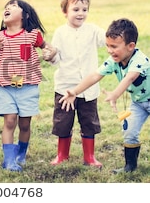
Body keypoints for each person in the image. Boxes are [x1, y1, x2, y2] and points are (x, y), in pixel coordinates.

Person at [60, 18, 150, 173]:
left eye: (114, 46)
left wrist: (115, 94)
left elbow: (130, 77)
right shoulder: (114, 61)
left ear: (131, 46)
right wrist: (75, 91)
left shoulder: (139, 60)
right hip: (138, 103)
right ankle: (130, 166)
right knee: (129, 131)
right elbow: (95, 76)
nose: (109, 50)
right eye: (108, 45)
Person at [0, 0, 54, 172]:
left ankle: (20, 155)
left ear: (25, 15)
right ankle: (9, 160)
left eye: (13, 6)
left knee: (24, 124)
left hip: (28, 87)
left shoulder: (33, 34)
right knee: (9, 122)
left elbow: (48, 47)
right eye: (6, 7)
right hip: (5, 87)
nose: (7, 8)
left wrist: (50, 52)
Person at [44, 0, 105, 168]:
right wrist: (51, 55)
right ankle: (62, 155)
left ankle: (90, 156)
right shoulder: (61, 33)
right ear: (65, 12)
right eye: (76, 9)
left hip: (88, 89)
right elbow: (55, 59)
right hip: (65, 88)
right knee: (63, 122)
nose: (81, 13)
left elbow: (107, 39)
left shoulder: (93, 30)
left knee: (89, 122)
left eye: (84, 9)